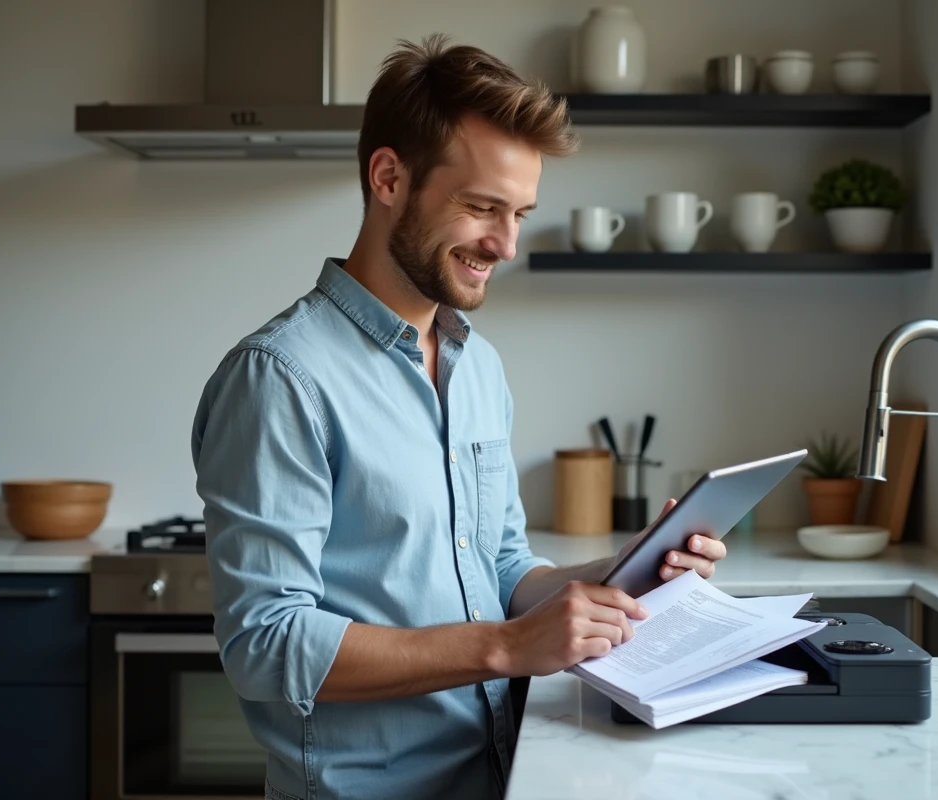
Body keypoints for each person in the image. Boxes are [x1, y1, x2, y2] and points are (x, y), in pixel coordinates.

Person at [191, 34, 727, 800]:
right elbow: (266, 645)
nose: (505, 244)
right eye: (481, 208)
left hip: (496, 778)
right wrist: (509, 648)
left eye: (520, 214)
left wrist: (628, 573)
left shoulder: (478, 366)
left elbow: (503, 571)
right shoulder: (281, 378)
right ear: (388, 177)